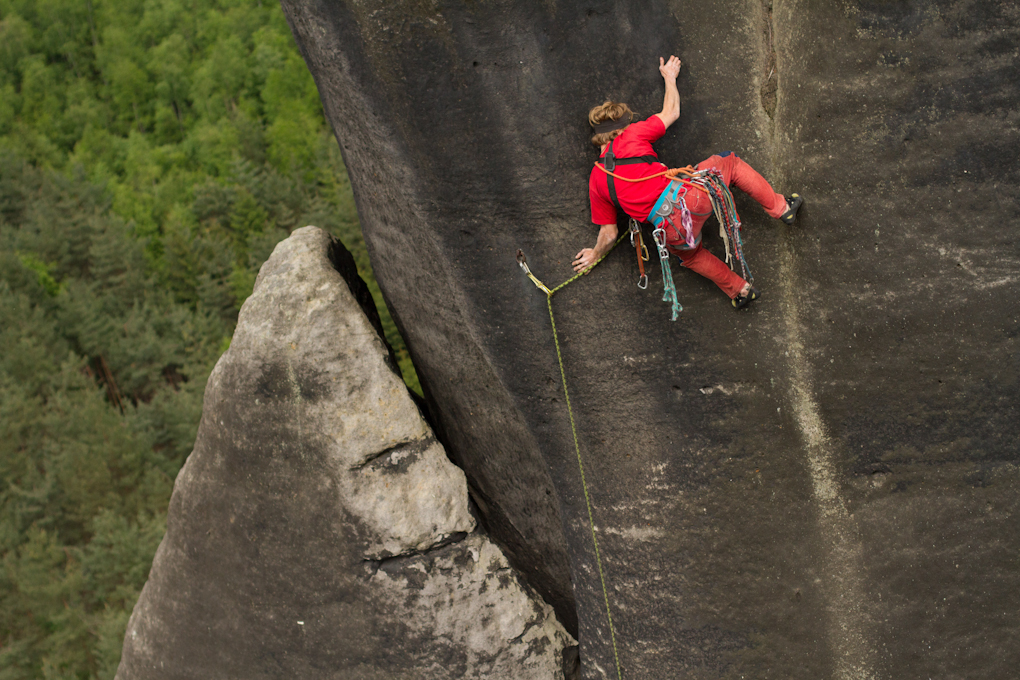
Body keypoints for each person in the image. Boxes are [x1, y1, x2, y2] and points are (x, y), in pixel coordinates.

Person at [574, 55, 803, 309]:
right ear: (620, 128)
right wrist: (670, 78)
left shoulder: (596, 180)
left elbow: (608, 234)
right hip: (691, 198)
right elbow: (671, 112)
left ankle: (740, 291)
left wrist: (594, 254)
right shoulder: (631, 135)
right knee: (730, 164)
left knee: (692, 256)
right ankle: (782, 207)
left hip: (671, 230)